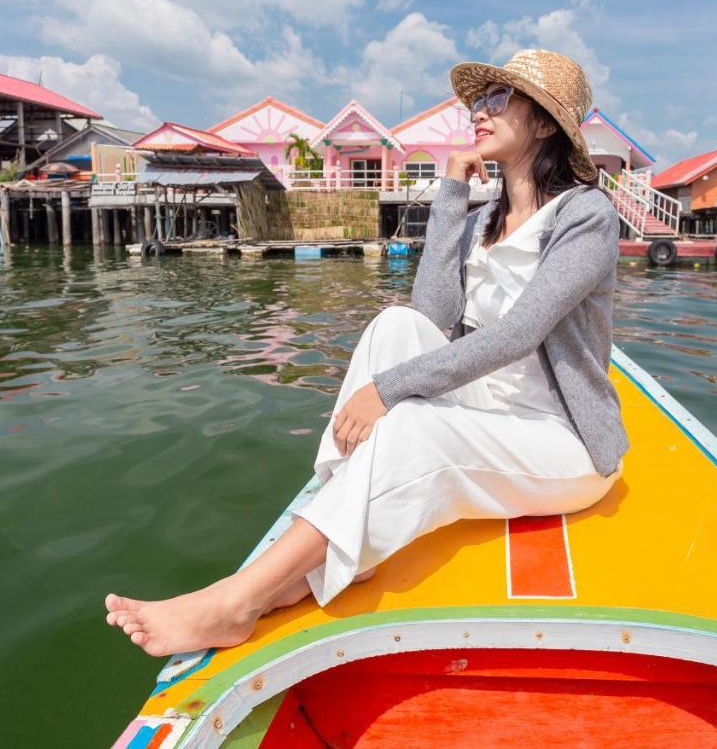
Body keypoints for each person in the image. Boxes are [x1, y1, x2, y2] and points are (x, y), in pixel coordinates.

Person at [103, 49, 629, 657]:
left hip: (558, 441)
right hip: (490, 409)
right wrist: (452, 190)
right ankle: (343, 532)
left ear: (544, 124)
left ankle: (236, 602)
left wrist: (386, 391)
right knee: (392, 326)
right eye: (478, 102)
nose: (477, 114)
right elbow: (430, 316)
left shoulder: (587, 215)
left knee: (417, 424)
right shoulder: (487, 216)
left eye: (496, 101)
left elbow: (517, 335)